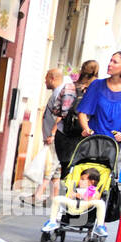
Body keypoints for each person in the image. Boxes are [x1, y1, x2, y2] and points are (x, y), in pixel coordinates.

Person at [76, 50, 121, 192]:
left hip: (117, 143)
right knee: (89, 177)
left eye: (115, 62)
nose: (110, 64)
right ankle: (84, 205)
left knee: (109, 181)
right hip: (95, 140)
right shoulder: (96, 85)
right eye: (110, 60)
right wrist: (86, 128)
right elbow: (82, 112)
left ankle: (104, 208)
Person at [54, 60, 99, 182]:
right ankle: (79, 193)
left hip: (65, 133)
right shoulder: (98, 90)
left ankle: (65, 192)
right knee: (83, 168)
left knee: (65, 167)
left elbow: (57, 109)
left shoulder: (70, 87)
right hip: (88, 135)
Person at [41, 67, 76, 202]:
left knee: (50, 164)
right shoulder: (58, 91)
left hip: (55, 136)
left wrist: (53, 133)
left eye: (46, 78)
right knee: (55, 168)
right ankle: (53, 197)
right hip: (52, 135)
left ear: (52, 78)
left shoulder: (62, 91)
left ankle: (38, 194)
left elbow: (62, 114)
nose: (45, 81)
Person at [41, 168, 106, 236]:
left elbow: (96, 198)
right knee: (57, 199)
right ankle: (52, 222)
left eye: (83, 179)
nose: (80, 181)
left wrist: (86, 197)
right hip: (72, 205)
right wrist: (74, 195)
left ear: (92, 182)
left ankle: (100, 226)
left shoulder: (94, 191)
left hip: (86, 206)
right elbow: (70, 196)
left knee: (101, 203)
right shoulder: (76, 189)